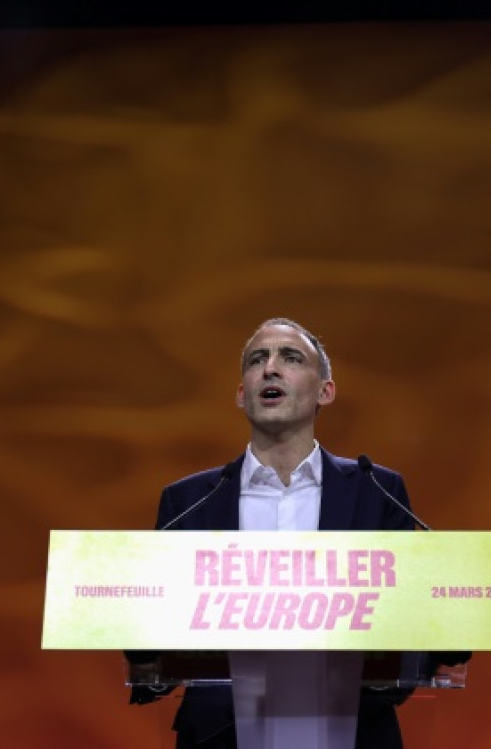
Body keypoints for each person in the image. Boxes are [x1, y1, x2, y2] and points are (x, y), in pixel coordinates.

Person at [131, 318, 425, 749]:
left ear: (326, 390)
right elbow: (148, 632)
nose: (270, 368)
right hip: (221, 734)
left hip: (351, 731)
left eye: (291, 358)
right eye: (257, 360)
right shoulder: (190, 501)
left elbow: (413, 620)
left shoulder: (377, 491)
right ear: (241, 394)